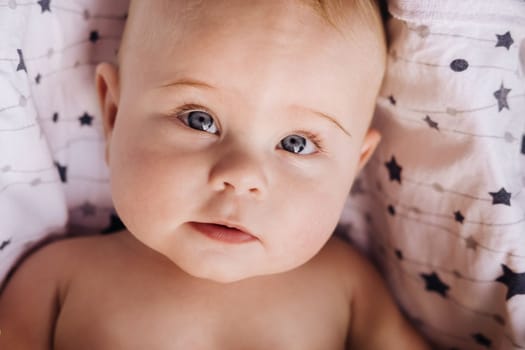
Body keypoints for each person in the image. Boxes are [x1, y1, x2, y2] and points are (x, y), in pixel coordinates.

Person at [0, 0, 429, 348]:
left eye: (296, 143)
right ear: (114, 117)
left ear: (355, 165)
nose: (241, 175)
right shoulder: (57, 280)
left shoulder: (348, 287)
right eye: (199, 120)